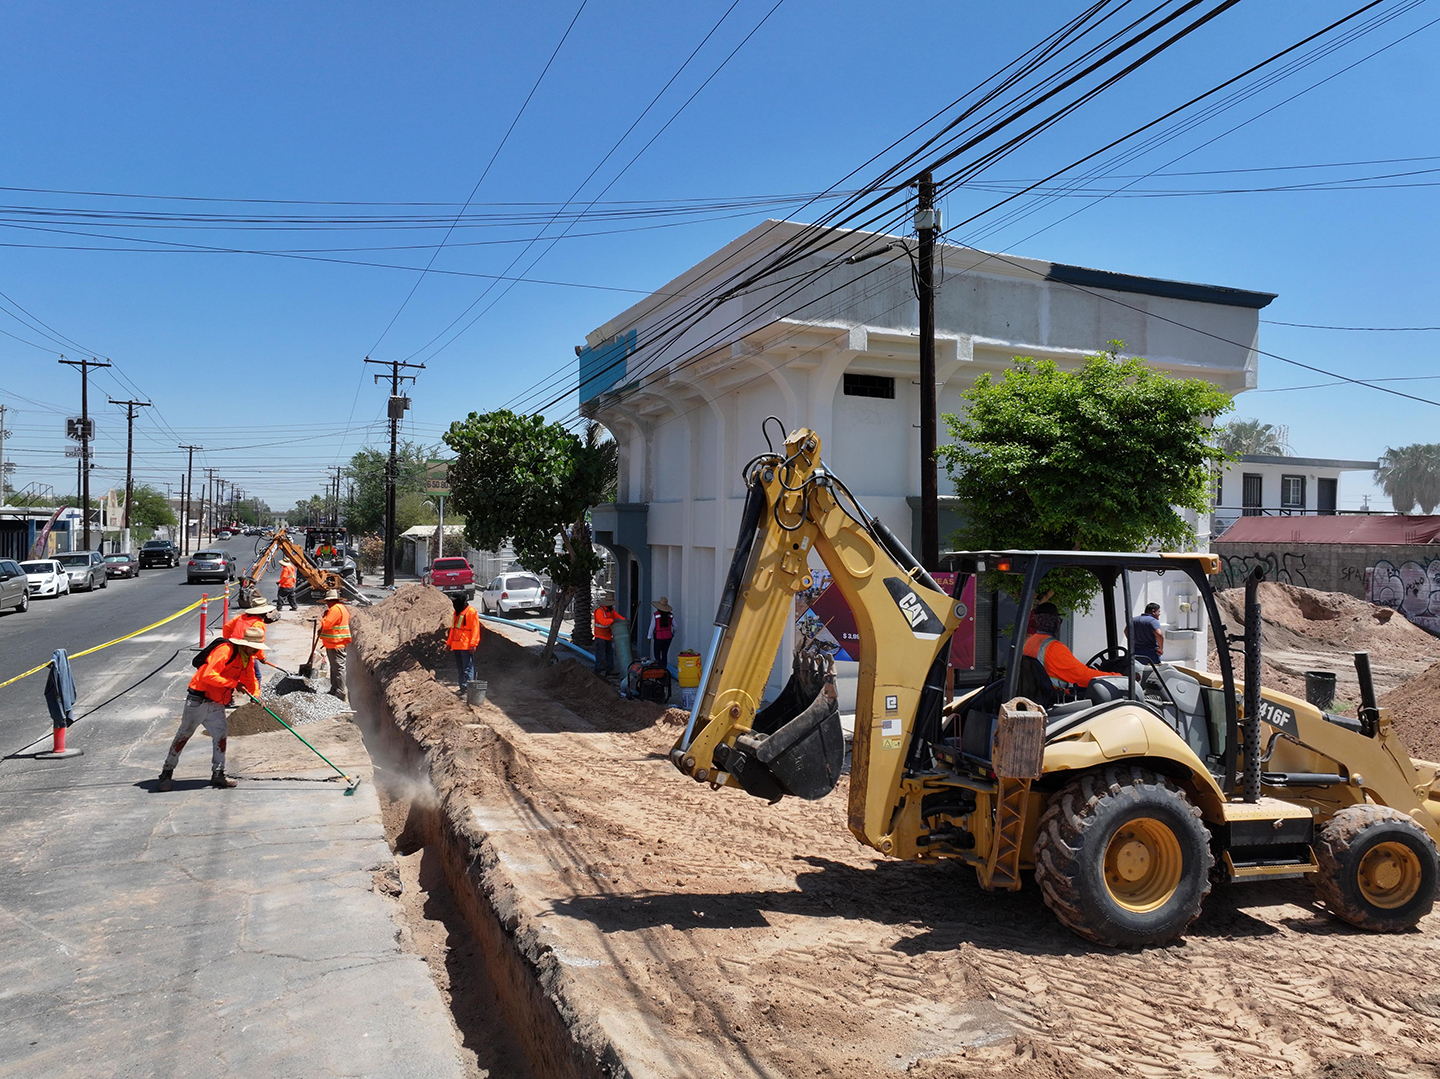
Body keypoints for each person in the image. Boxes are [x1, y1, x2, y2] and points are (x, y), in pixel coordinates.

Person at [156, 624, 265, 791]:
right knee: (184, 735)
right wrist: (234, 684)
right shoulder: (225, 651)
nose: (256, 651)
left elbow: (251, 680)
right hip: (198, 700)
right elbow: (209, 675)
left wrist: (255, 695)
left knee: (221, 736)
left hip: (217, 702)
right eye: (254, 647)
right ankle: (166, 773)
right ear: (245, 644)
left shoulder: (247, 658)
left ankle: (218, 774)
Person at [1025, 602, 1104, 690]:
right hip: (1053, 695)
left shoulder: (1030, 642)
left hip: (1037, 692)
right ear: (1054, 622)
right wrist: (1114, 676)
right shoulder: (1054, 648)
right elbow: (1083, 677)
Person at [318, 589, 351, 701]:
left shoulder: (335, 609)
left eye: (327, 602)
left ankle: (340, 692)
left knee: (339, 668)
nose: (327, 604)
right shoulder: (341, 608)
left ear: (331, 600)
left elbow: (327, 624)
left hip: (336, 643)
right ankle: (334, 689)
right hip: (335, 643)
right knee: (335, 668)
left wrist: (324, 617)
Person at [446, 593, 482, 692]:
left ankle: (467, 688)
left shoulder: (471, 612)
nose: (454, 603)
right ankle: (462, 687)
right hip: (456, 645)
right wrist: (449, 643)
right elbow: (453, 629)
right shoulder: (456, 613)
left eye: (455, 601)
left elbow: (475, 629)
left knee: (467, 668)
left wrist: (473, 644)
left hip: (466, 645)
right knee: (460, 668)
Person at [593, 591, 618, 677]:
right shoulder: (600, 611)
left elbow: (616, 616)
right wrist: (612, 621)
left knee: (609, 653)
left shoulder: (610, 611)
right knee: (600, 654)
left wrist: (622, 620)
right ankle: (598, 671)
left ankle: (609, 669)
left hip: (607, 635)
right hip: (600, 636)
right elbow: (603, 621)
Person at [648, 596, 676, 668]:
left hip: (659, 637)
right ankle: (664, 669)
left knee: (657, 655)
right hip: (668, 637)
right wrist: (673, 634)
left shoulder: (656, 615)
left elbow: (652, 627)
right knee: (664, 654)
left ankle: (660, 668)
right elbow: (675, 626)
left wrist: (649, 637)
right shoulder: (670, 615)